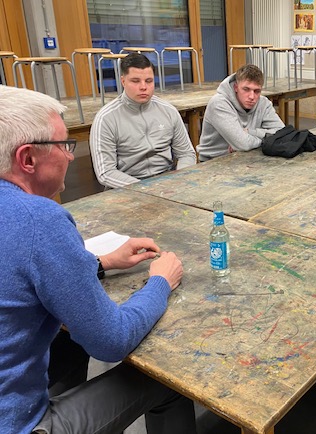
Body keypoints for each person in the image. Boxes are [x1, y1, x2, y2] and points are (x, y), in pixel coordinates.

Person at [0, 85, 196, 433]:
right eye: (63, 145)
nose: (70, 157)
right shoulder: (39, 220)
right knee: (168, 382)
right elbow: (112, 340)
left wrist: (101, 262)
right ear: (27, 158)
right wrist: (160, 282)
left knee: (69, 341)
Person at [90, 53, 196, 189]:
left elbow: (186, 153)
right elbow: (106, 173)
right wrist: (145, 188)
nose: (143, 87)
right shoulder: (106, 119)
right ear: (123, 81)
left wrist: (179, 179)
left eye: (149, 81)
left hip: (168, 181)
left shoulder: (168, 111)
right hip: (127, 187)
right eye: (135, 81)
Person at [197, 64, 284, 161]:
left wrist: (250, 132)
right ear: (236, 87)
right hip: (214, 161)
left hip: (250, 156)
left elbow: (282, 133)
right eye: (246, 89)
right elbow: (243, 144)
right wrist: (268, 140)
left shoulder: (264, 103)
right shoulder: (219, 103)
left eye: (257, 91)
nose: (252, 96)